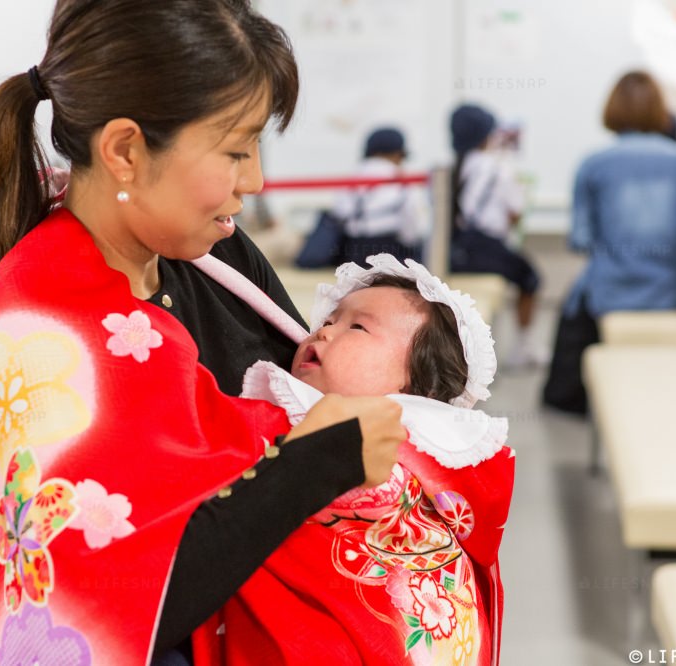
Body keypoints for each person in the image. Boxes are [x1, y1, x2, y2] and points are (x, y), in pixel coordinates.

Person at [0, 2, 407, 664]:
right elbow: (91, 613)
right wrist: (311, 467)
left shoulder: (218, 261)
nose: (255, 180)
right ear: (125, 150)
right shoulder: (40, 341)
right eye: (235, 150)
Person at [191, 255, 514, 665]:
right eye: (327, 322)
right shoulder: (286, 408)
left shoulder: (427, 445)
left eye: (356, 327)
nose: (323, 333)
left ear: (418, 384)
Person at [542, 71, 676, 415]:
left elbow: (580, 240)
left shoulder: (594, 164)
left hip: (609, 292)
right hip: (667, 293)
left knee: (571, 307)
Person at [449, 103, 543, 368]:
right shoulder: (499, 168)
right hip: (485, 250)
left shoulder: (447, 169)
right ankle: (523, 347)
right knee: (531, 278)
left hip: (451, 252)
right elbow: (515, 214)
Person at [335, 127, 428, 266]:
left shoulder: (352, 177)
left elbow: (340, 212)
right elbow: (413, 225)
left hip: (354, 251)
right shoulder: (402, 179)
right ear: (396, 154)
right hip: (393, 250)